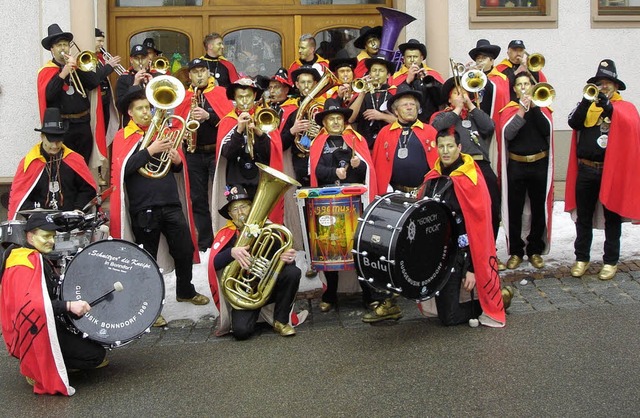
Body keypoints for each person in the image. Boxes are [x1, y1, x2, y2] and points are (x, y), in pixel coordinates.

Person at [110, 90, 210, 327]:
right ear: (130, 113)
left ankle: (185, 290)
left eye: (148, 107)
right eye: (141, 108)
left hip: (170, 202)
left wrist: (176, 160)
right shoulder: (123, 136)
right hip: (144, 206)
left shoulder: (163, 132)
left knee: (184, 249)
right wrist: (150, 150)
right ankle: (149, 304)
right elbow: (125, 168)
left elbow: (175, 169)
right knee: (147, 259)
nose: (147, 112)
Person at [0, 213, 108, 396]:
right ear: (29, 236)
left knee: (98, 349)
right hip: (33, 330)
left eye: (52, 236)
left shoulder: (35, 255)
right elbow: (31, 307)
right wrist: (68, 306)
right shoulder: (22, 262)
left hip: (47, 320)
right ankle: (37, 368)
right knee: (95, 356)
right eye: (45, 236)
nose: (51, 241)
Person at [417, 129, 507, 327]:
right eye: (441, 146)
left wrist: (472, 269)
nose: (445, 151)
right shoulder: (433, 177)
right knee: (439, 311)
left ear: (459, 147)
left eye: (450, 146)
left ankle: (489, 302)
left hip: (461, 254)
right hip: (437, 253)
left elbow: (482, 228)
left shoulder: (472, 178)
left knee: (449, 318)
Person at [565, 59, 640, 280]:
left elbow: (630, 126)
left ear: (616, 86)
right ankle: (581, 258)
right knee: (584, 218)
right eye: (600, 82)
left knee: (612, 216)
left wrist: (609, 108)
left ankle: (610, 260)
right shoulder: (588, 105)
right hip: (587, 170)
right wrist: (587, 102)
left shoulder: (624, 108)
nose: (604, 86)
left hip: (611, 170)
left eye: (608, 82)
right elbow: (573, 122)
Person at [309, 98, 378, 312]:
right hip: (327, 202)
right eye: (332, 119)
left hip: (353, 201)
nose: (336, 122)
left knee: (359, 248)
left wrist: (358, 166)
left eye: (339, 118)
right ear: (325, 123)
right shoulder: (318, 143)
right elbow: (315, 171)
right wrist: (333, 173)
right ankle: (330, 294)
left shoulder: (355, 139)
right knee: (330, 247)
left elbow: (367, 173)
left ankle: (369, 293)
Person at [207, 186, 301, 339]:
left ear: (252, 207)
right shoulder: (226, 235)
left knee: (292, 272)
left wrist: (287, 259)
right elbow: (214, 263)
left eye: (244, 206)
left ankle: (281, 321)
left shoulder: (268, 228)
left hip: (269, 284)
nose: (240, 212)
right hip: (245, 291)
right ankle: (255, 313)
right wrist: (231, 252)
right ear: (230, 215)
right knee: (241, 332)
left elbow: (285, 262)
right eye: (235, 209)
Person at [431, 77, 504, 269]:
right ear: (449, 99)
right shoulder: (443, 115)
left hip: (481, 165)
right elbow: (437, 128)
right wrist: (456, 109)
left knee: (491, 210)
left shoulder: (474, 114)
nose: (461, 95)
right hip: (459, 168)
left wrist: (470, 105)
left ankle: (490, 250)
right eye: (456, 92)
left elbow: (489, 127)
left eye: (463, 92)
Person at [172, 58, 233, 251]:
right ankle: (205, 241)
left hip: (215, 152)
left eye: (202, 71)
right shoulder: (184, 97)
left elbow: (230, 121)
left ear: (208, 73)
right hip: (193, 153)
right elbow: (176, 125)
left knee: (221, 195)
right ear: (189, 76)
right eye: (195, 72)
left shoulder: (220, 93)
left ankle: (224, 234)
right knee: (197, 198)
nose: (199, 75)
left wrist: (209, 116)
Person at [211, 77, 284, 233]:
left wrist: (258, 132)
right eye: (240, 97)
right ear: (235, 99)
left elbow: (271, 153)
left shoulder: (265, 117)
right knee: (241, 222)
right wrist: (238, 130)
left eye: (248, 96)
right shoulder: (228, 121)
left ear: (255, 97)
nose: (244, 101)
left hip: (260, 180)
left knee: (263, 221)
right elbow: (227, 154)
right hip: (236, 180)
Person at [498, 72, 554, 270]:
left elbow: (546, 130)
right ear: (514, 89)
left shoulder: (542, 107)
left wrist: (535, 108)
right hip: (517, 165)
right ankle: (515, 251)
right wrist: (521, 110)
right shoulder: (510, 110)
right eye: (519, 84)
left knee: (539, 208)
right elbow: (508, 134)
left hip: (539, 164)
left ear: (532, 86)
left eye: (526, 84)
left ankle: (535, 250)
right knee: (515, 209)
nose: (523, 87)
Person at [37, 24, 109, 167]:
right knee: (64, 166)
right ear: (52, 49)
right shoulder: (47, 71)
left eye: (65, 44)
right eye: (59, 45)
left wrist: (77, 68)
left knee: (83, 164)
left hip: (82, 124)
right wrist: (63, 73)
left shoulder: (76, 67)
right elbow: (49, 95)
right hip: (62, 126)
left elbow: (94, 82)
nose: (63, 48)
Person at [8, 108, 97, 219]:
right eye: (51, 141)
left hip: (70, 221)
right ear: (42, 137)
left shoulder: (75, 159)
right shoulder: (29, 162)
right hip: (39, 224)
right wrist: (35, 213)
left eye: (58, 141)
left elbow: (87, 190)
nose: (55, 146)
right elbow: (20, 197)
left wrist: (78, 209)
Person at [371, 83, 438, 196]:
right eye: (405, 105)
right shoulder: (385, 132)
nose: (409, 107)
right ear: (396, 111)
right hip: (394, 193)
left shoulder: (430, 131)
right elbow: (378, 166)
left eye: (412, 104)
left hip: (424, 193)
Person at [280, 66, 326, 186]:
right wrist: (292, 131)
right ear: (297, 84)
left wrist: (319, 133)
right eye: (302, 82)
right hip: (299, 161)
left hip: (322, 160)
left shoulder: (323, 106)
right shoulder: (289, 109)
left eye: (309, 82)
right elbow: (280, 144)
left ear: (315, 83)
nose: (306, 85)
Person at [389, 39, 445, 123]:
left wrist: (429, 82)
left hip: (429, 122)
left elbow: (441, 100)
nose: (412, 60)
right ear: (403, 59)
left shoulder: (432, 74)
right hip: (404, 122)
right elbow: (392, 102)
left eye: (415, 57)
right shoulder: (395, 78)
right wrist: (407, 81)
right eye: (408, 57)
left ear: (421, 58)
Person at [348, 55, 397, 150]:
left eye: (381, 71)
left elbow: (403, 121)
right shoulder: (362, 94)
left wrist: (381, 116)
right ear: (369, 73)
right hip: (365, 146)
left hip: (389, 145)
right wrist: (362, 93)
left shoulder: (395, 94)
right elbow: (350, 119)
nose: (377, 74)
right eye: (374, 70)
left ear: (388, 75)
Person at [468, 39, 510, 126]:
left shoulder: (501, 77)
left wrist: (481, 76)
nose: (480, 61)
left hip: (492, 120)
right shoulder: (471, 76)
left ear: (491, 61)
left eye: (483, 58)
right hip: (473, 120)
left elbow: (499, 94)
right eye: (478, 58)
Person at [115, 44, 155, 127]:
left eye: (143, 58)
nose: (140, 62)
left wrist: (152, 86)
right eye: (136, 58)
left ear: (148, 59)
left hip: (154, 122)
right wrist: (135, 85)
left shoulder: (156, 76)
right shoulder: (124, 78)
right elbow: (120, 106)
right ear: (131, 60)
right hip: (132, 125)